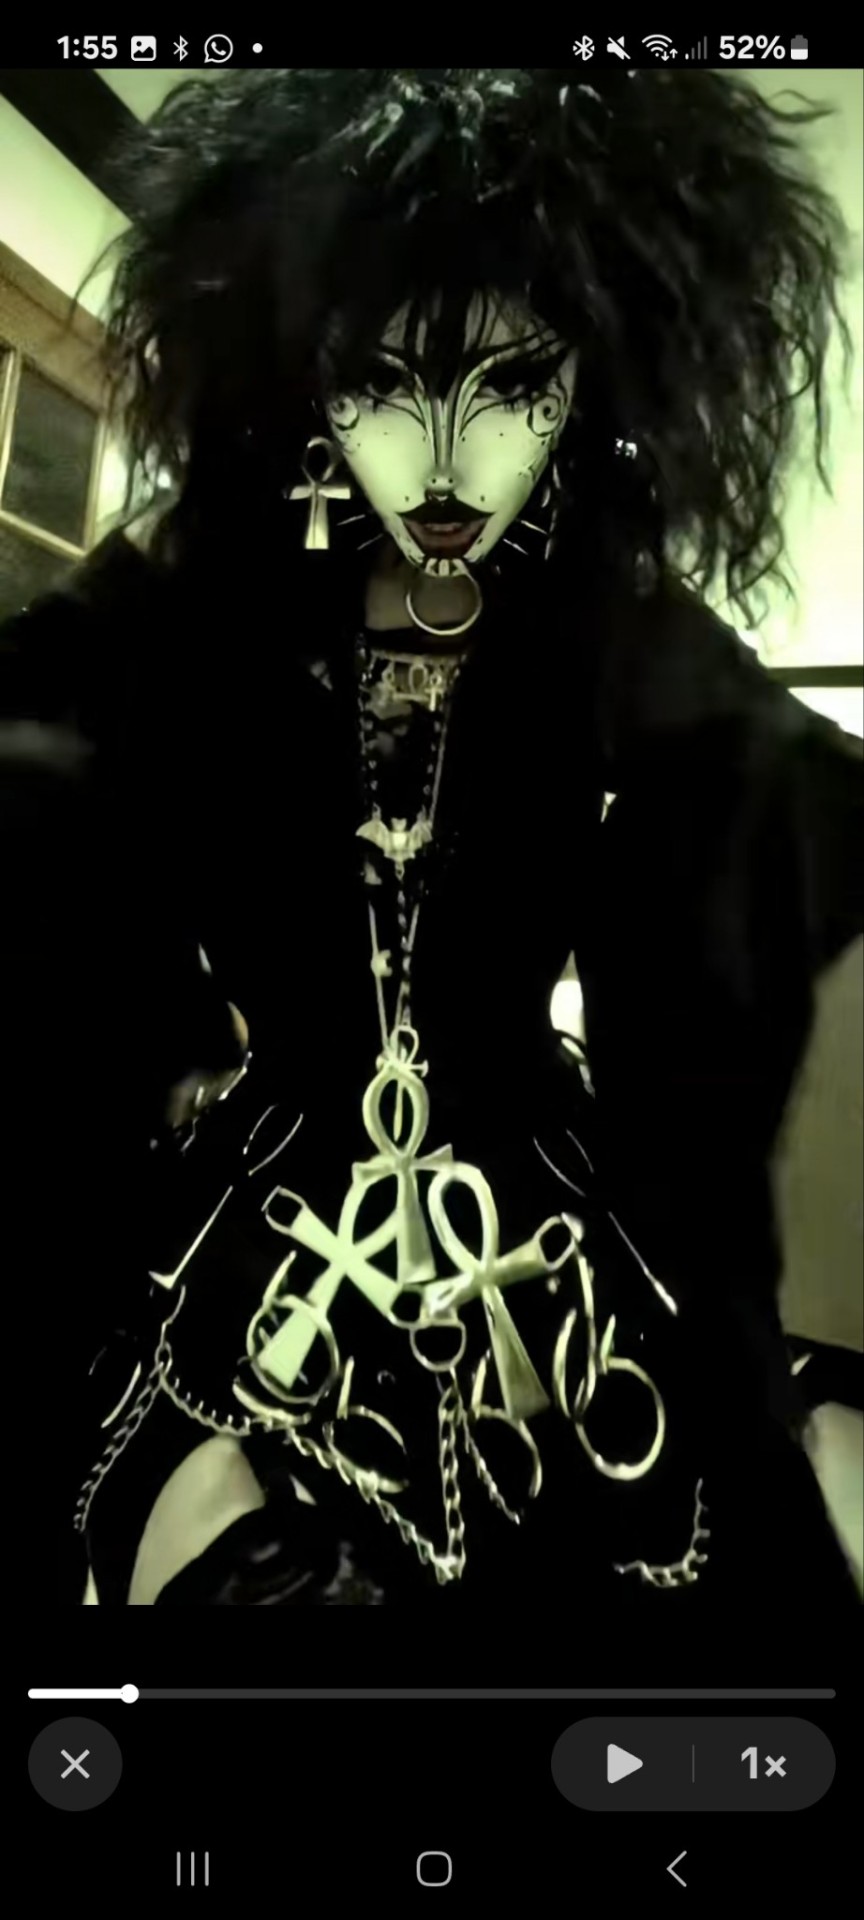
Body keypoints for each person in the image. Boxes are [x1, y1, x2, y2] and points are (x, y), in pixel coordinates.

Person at [3, 68, 861, 1641]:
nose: (451, 462)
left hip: (546, 1200)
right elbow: (24, 771)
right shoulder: (204, 572)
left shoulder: (600, 599)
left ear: (592, 378)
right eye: (386, 384)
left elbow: (794, 805)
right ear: (304, 374)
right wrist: (157, 1029)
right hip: (260, 1212)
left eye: (517, 384)